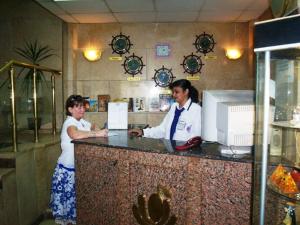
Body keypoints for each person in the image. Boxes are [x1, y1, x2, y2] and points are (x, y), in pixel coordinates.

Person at [50, 95, 108, 225]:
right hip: (67, 171)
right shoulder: (70, 122)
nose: (82, 110)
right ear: (70, 109)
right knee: (68, 208)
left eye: (83, 106)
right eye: (78, 107)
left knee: (76, 205)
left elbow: (93, 125)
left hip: (76, 168)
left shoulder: (81, 121)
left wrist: (98, 130)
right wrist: (96, 134)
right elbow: (74, 134)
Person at [129, 79, 201, 141]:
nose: (173, 95)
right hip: (171, 151)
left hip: (186, 153)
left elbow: (197, 137)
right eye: (173, 92)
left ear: (186, 92)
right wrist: (143, 132)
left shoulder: (197, 110)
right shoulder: (174, 107)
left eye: (177, 92)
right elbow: (162, 129)